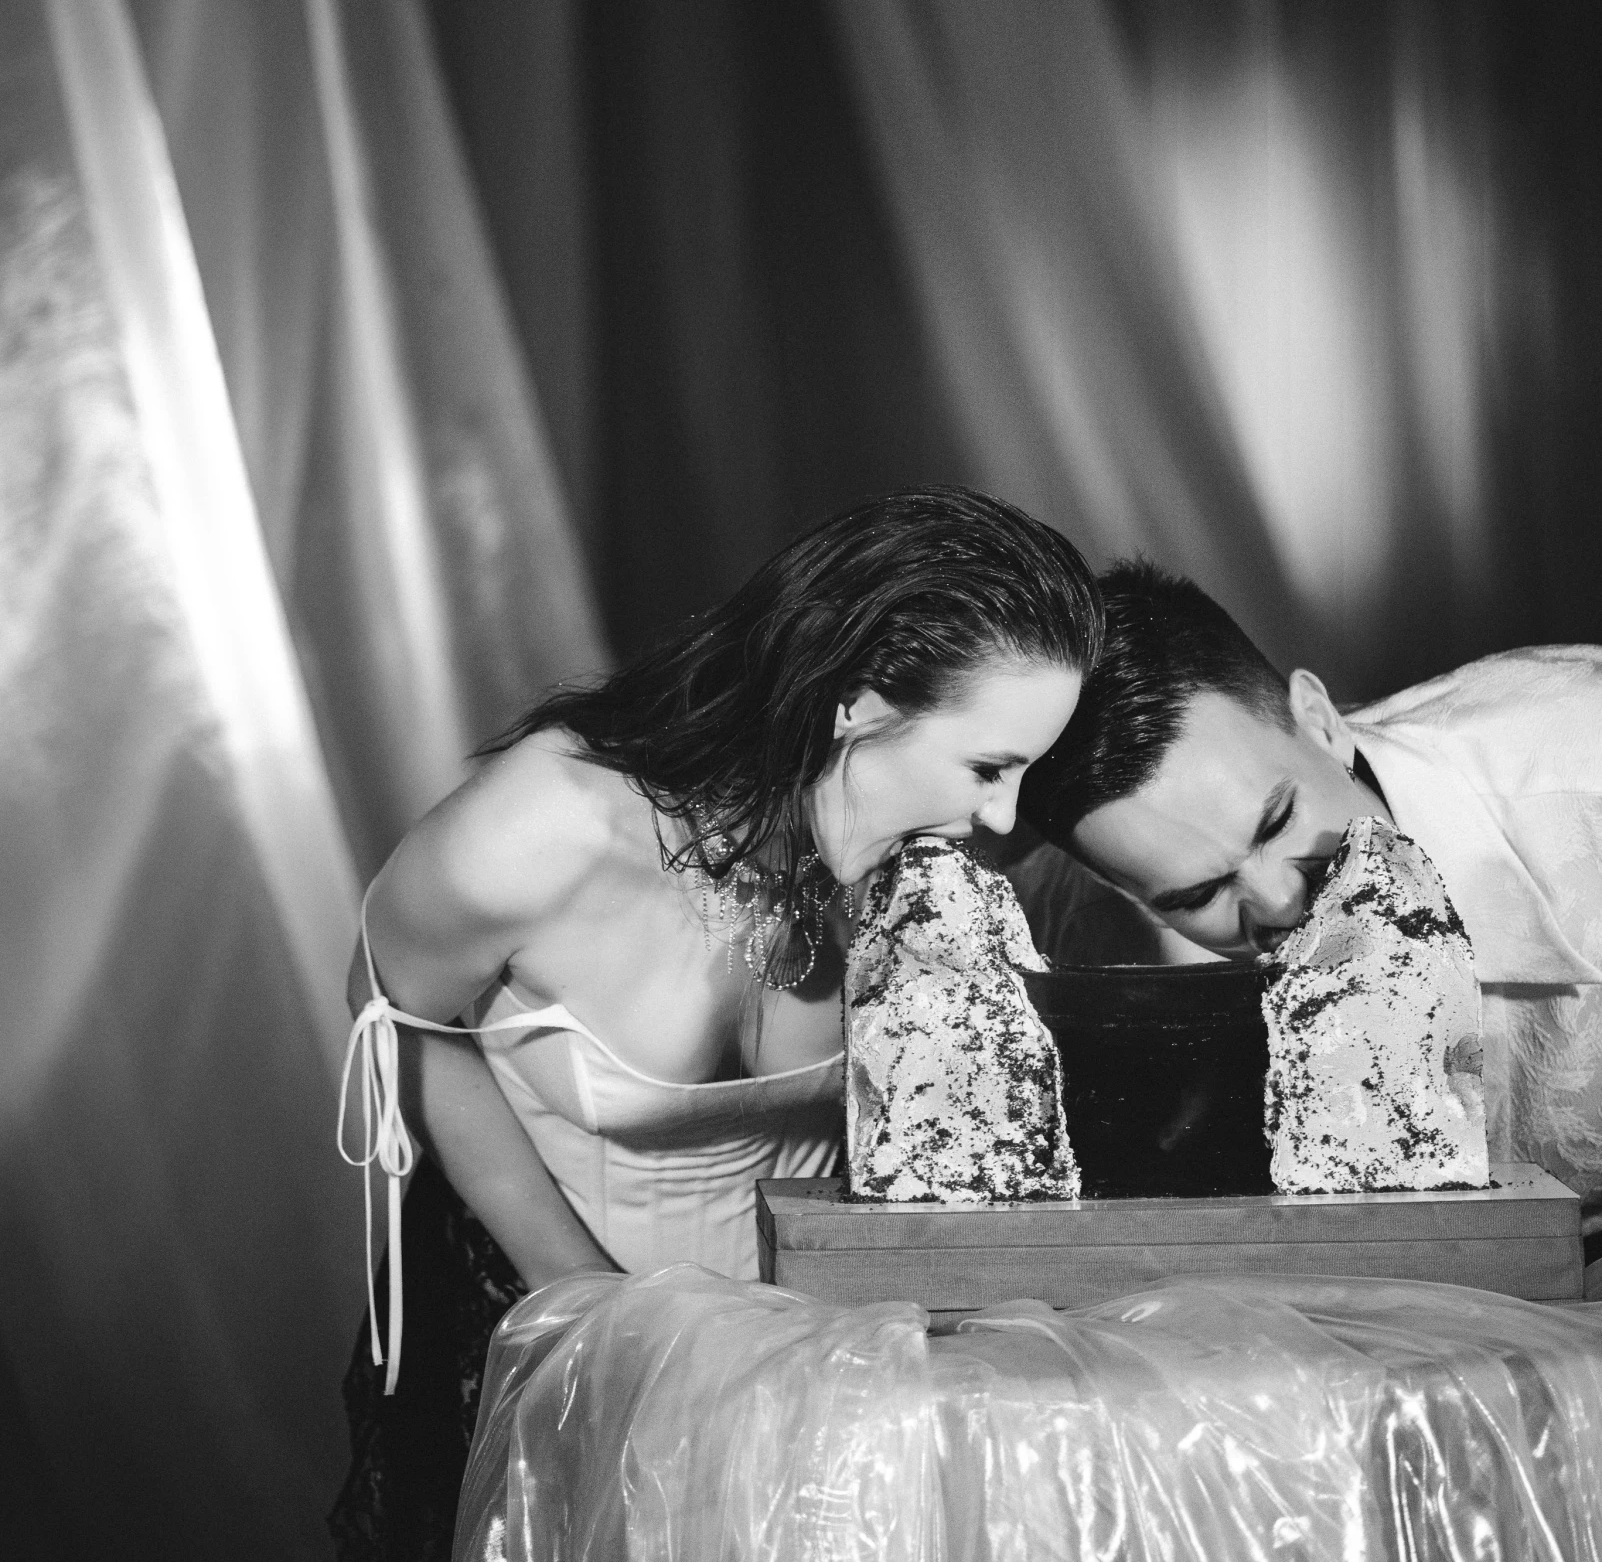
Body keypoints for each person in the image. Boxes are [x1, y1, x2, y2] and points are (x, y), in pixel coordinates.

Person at [330, 487, 1101, 1560]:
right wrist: (588, 1306)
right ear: (855, 701)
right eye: (987, 768)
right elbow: (390, 1011)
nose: (1004, 815)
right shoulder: (542, 828)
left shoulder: (944, 856)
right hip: (559, 1330)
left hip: (837, 1368)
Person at [1018, 560, 1602, 1250]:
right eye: (1200, 896)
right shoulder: (1061, 928)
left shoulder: (1582, 780)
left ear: (1322, 722)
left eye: (1276, 823)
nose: (1279, 902)